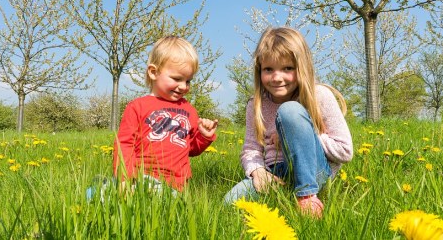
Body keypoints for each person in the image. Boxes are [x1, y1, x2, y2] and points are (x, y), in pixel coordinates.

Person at [224, 27, 353, 218]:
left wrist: (298, 136)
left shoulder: (320, 96)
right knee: (230, 203)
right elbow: (251, 149)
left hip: (315, 171)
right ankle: (285, 194)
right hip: (275, 173)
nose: (277, 78)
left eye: (287, 68)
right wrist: (258, 171)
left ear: (302, 68)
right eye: (268, 69)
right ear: (259, 70)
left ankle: (307, 196)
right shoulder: (255, 104)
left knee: (290, 110)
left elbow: (345, 151)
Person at [113, 36, 218, 194]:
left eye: (188, 81)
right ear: (154, 72)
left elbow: (192, 149)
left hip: (176, 186)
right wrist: (125, 179)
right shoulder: (137, 106)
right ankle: (105, 190)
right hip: (141, 179)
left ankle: (104, 190)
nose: (183, 86)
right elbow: (124, 145)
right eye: (177, 79)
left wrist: (204, 137)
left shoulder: (189, 110)